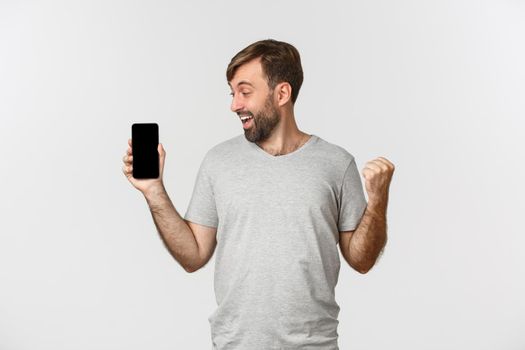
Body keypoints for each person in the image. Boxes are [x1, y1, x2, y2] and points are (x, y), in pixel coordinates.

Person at [122, 38, 395, 350]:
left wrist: (378, 201)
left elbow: (361, 260)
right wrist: (154, 190)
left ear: (282, 93)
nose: (234, 104)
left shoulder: (336, 164)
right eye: (232, 92)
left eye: (245, 91)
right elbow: (193, 255)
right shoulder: (218, 162)